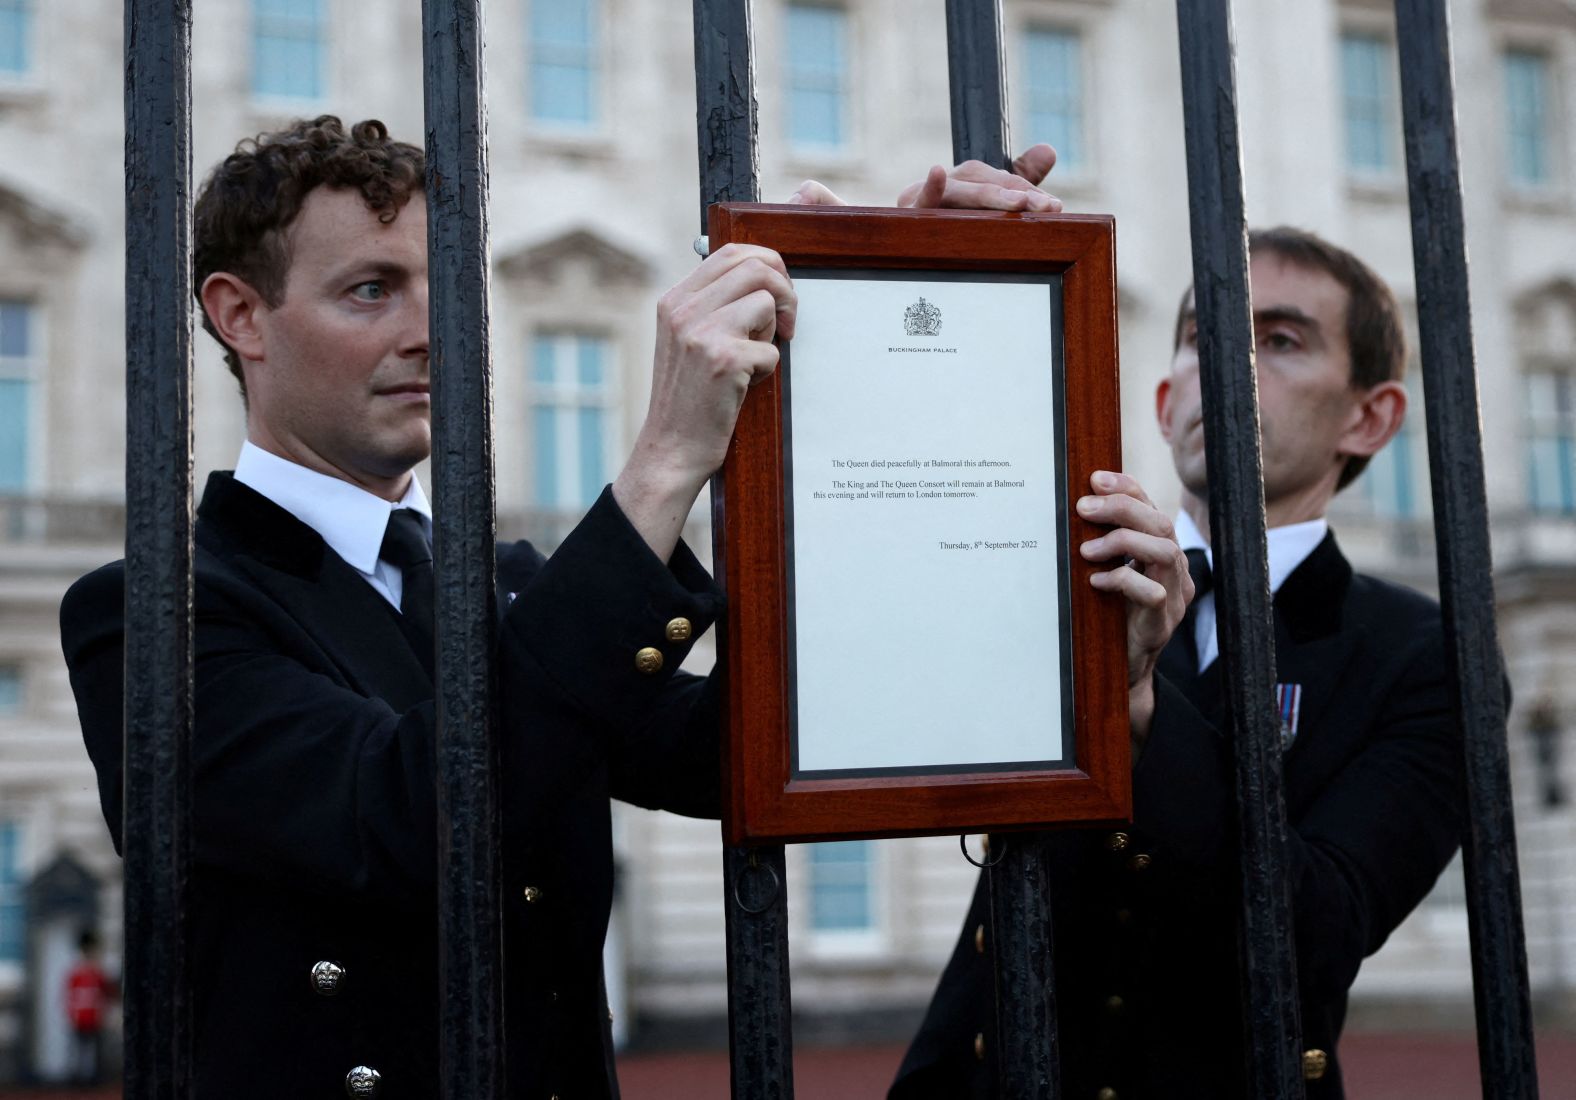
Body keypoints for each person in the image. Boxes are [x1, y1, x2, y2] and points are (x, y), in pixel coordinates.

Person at [60, 118, 1187, 1098]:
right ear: (238, 315)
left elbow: (762, 749)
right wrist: (662, 464)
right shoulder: (150, 613)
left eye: (445, 285)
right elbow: (416, 818)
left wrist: (885, 316)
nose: (429, 329)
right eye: (371, 289)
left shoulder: (497, 583)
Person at [891, 227, 1467, 1099]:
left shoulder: (1420, 654)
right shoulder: (1041, 580)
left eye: (1279, 340)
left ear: (1371, 415)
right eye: (1204, 338)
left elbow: (1318, 929)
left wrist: (1142, 705)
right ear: (1165, 403)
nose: (1227, 367)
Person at [64, 927, 114, 1086]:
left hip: (94, 1017)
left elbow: (106, 994)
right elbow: (71, 996)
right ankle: (78, 1077)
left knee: (95, 1050)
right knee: (79, 1050)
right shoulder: (76, 973)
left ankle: (94, 1077)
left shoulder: (98, 973)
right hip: (81, 1017)